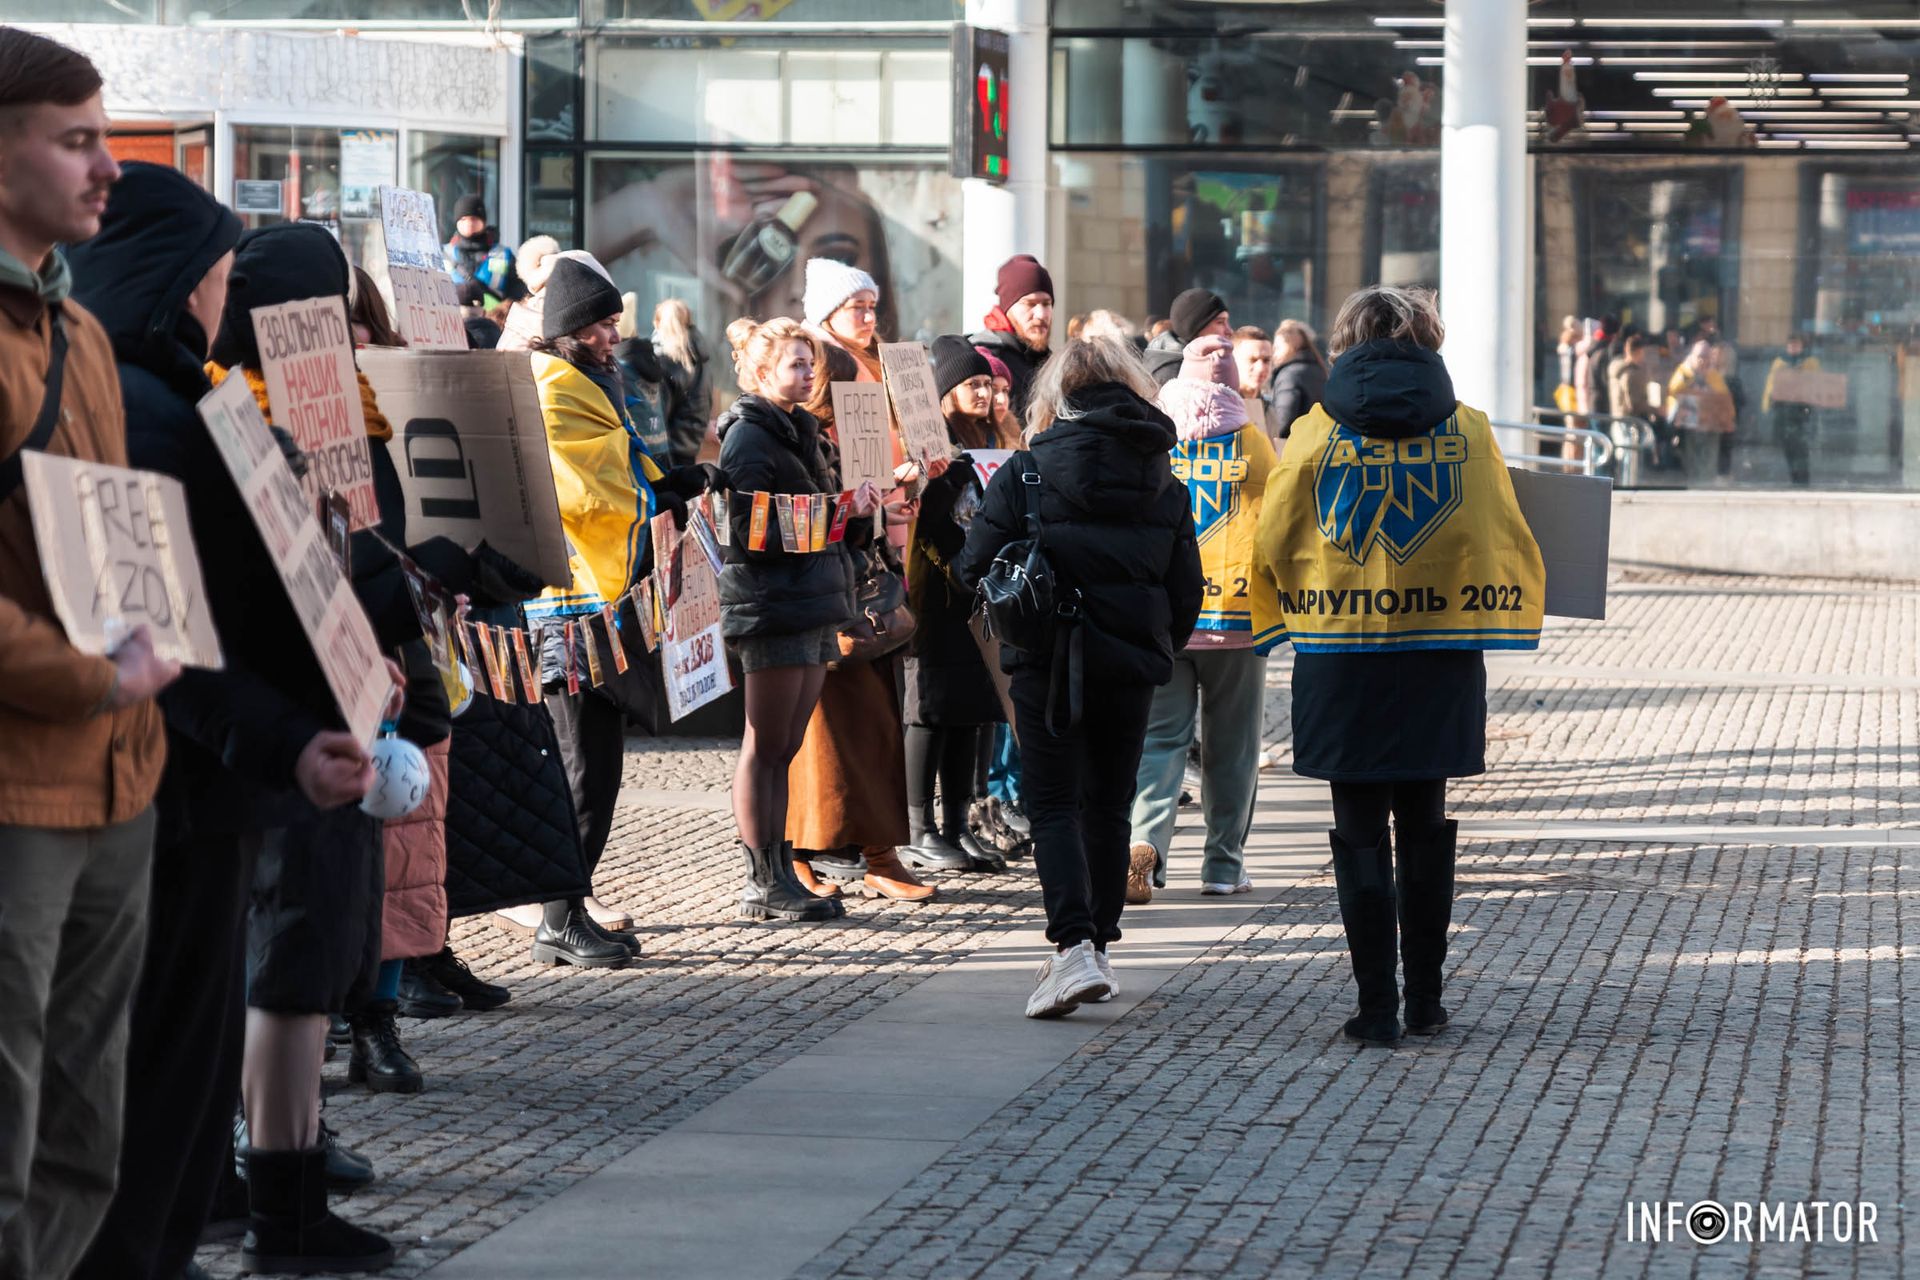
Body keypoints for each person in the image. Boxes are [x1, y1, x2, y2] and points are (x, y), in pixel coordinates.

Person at [0, 32, 180, 1280]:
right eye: (77, 141)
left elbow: (115, 545)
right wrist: (92, 678)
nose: (109, 166)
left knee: (81, 1128)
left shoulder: (83, 329)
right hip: (19, 787)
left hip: (121, 777)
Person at [1253, 284, 1545, 1048]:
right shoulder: (1470, 430)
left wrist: (1282, 610)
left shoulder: (1314, 433)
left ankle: (1376, 1007)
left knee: (1357, 829)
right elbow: (1501, 530)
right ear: (1429, 339)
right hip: (1436, 656)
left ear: (1346, 341)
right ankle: (1427, 1000)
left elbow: (1274, 537)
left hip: (1341, 657)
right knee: (1424, 822)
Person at [955, 337, 1202, 1020]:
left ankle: (1073, 947)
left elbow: (973, 568)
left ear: (1056, 395)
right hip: (1129, 665)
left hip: (1046, 660)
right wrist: (1156, 643)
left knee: (1055, 804)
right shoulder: (1163, 479)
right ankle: (1097, 943)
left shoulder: (1027, 471)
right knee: (1110, 805)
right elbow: (1186, 588)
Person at [524, 256, 719, 963]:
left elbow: (621, 466)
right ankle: (557, 918)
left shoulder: (587, 383)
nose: (614, 337)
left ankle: (572, 905)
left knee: (600, 769)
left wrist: (674, 483)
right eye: (602, 326)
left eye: (613, 324)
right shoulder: (553, 389)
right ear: (570, 329)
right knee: (580, 767)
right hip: (570, 606)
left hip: (599, 604)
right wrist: (663, 494)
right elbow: (586, 494)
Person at [717, 316, 882, 922]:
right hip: (770, 604)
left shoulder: (804, 431)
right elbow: (747, 530)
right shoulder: (747, 437)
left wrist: (860, 512)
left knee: (785, 746)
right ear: (762, 373)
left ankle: (782, 870)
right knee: (764, 745)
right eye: (796, 363)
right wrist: (836, 510)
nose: (809, 373)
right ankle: (761, 881)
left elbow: (831, 526)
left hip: (813, 600)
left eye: (811, 363)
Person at [1127, 336, 1283, 906]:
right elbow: (1278, 521)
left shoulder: (1154, 440)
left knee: (1160, 740)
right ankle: (1223, 864)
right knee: (1232, 747)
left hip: (1167, 614)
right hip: (1237, 615)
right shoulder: (1252, 441)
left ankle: (1145, 845)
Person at [783, 341, 928, 905]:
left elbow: (855, 522)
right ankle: (797, 855)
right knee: (818, 743)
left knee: (873, 730)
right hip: (819, 606)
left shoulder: (840, 443)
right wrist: (864, 510)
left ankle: (879, 854)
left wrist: (887, 505)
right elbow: (796, 525)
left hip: (859, 602)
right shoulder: (797, 443)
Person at [900, 337, 1009, 876]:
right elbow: (926, 522)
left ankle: (956, 825)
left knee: (970, 710)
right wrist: (941, 477)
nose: (984, 392)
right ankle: (918, 828)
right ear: (945, 394)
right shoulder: (931, 445)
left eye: (987, 383)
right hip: (936, 599)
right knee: (931, 710)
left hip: (975, 593)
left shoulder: (986, 442)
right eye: (972, 384)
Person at [967, 253, 1053, 419]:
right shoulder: (982, 358)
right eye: (1030, 304)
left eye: (1046, 303)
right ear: (1008, 308)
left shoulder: (1052, 362)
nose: (1041, 314)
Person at [653, 297, 712, 467]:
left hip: (668, 451)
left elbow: (659, 413)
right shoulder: (700, 357)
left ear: (657, 323)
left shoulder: (663, 360)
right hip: (692, 446)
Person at [442, 194, 523, 307]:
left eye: (474, 218)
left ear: (483, 221)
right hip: (451, 317)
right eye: (463, 219)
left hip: (494, 317)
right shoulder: (442, 255)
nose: (469, 224)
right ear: (456, 222)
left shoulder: (503, 255)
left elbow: (518, 294)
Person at [1763, 333, 1821, 487]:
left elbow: (1816, 383)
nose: (1793, 348)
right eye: (1791, 345)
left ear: (1802, 346)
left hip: (1802, 411)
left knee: (1801, 449)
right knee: (1787, 447)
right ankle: (1794, 478)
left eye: (1796, 345)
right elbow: (1771, 384)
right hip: (1784, 410)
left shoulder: (1810, 362)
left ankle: (1803, 480)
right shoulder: (1779, 362)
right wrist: (1768, 404)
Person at [1265, 318, 1328, 441]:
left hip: (1294, 444)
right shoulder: (1320, 370)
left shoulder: (1289, 374)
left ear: (1290, 346)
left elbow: (1282, 421)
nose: (1274, 354)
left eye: (1277, 348)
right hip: (1318, 441)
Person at [1231, 323, 1274, 434]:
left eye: (1266, 360)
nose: (1261, 368)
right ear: (1233, 360)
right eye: (1252, 360)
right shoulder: (1222, 408)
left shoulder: (1271, 409)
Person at [975, 345, 1021, 449]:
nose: (1002, 399)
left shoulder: (1015, 435)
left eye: (1005, 390)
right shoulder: (958, 439)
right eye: (993, 389)